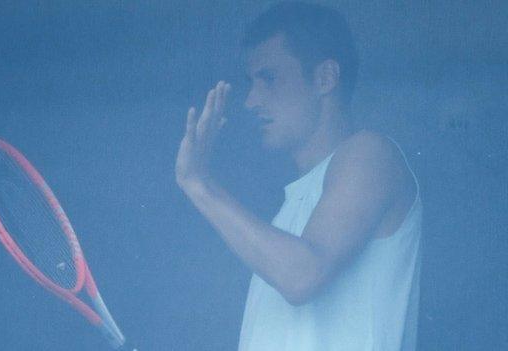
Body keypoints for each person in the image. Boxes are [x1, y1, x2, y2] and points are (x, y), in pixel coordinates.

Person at [175, 2, 421, 351]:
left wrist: (198, 184)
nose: (251, 100)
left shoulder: (370, 152)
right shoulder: (289, 211)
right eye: (251, 82)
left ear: (325, 78)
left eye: (269, 78)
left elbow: (302, 276)